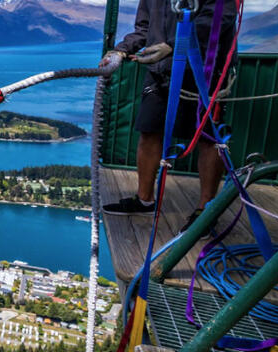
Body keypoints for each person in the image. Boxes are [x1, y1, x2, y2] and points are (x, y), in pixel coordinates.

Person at [100, 0, 236, 231]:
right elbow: (144, 29)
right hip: (161, 72)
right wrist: (122, 49)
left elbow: (219, 19)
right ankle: (144, 200)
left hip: (205, 71)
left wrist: (174, 45)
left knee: (209, 139)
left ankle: (206, 211)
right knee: (149, 131)